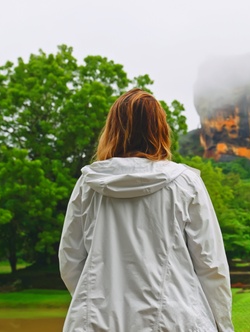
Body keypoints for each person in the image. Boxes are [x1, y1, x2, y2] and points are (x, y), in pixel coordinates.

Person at [59, 88, 234, 331]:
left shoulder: (88, 185)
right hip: (176, 320)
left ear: (113, 130)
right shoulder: (185, 183)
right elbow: (211, 266)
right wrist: (224, 326)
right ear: (160, 129)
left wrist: (100, 300)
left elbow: (70, 261)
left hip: (97, 322)